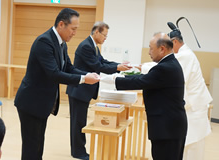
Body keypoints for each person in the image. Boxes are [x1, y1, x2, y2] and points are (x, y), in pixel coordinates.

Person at [14, 8, 100, 160]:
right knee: (31, 146)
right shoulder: (44, 42)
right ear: (61, 24)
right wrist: (83, 79)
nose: (74, 33)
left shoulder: (62, 44)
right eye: (73, 29)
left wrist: (85, 74)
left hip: (42, 103)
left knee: (38, 143)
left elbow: (69, 68)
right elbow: (54, 74)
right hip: (30, 102)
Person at [103, 32, 188, 160]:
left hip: (167, 129)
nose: (149, 52)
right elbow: (145, 78)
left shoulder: (165, 68)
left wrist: (113, 79)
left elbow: (141, 81)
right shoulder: (169, 64)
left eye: (151, 48)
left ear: (162, 49)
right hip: (171, 127)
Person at [66, 21, 131, 159]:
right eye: (104, 35)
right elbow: (98, 66)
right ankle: (78, 152)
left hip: (83, 90)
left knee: (80, 121)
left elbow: (103, 61)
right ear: (96, 32)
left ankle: (78, 150)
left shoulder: (94, 46)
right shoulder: (86, 46)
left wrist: (118, 65)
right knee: (78, 122)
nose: (105, 38)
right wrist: (117, 68)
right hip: (79, 89)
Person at [168, 24, 212, 160]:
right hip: (193, 107)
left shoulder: (184, 56)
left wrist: (143, 67)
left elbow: (168, 70)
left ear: (175, 41)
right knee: (188, 146)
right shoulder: (185, 54)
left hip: (195, 108)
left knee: (192, 148)